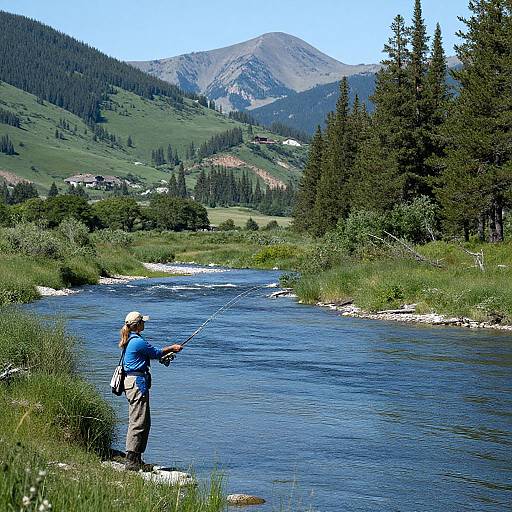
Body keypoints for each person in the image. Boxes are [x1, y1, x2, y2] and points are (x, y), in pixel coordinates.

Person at [119, 311, 182, 471]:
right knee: (139, 421)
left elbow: (150, 356)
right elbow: (156, 353)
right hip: (137, 384)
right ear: (138, 325)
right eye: (143, 322)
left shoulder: (131, 340)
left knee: (142, 421)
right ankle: (132, 460)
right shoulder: (137, 342)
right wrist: (173, 348)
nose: (145, 324)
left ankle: (136, 458)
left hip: (132, 383)